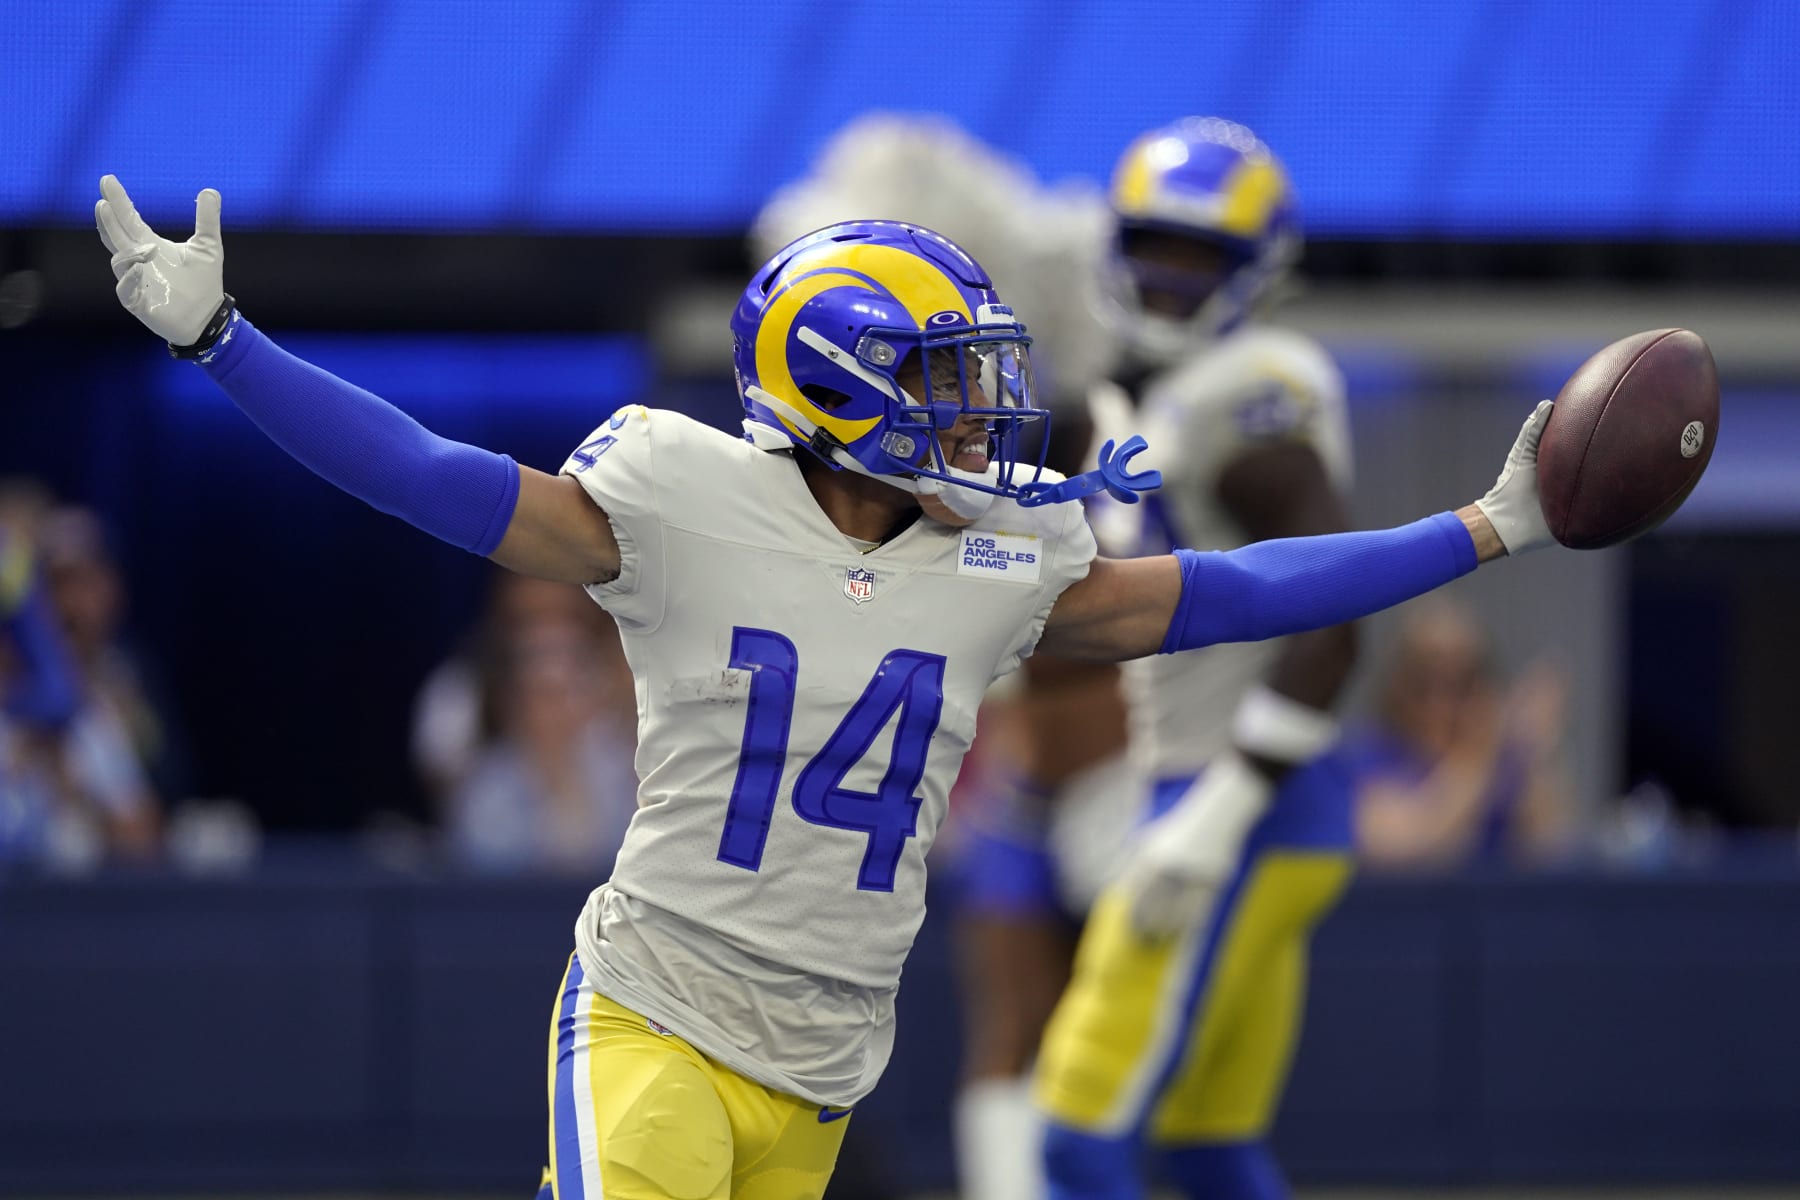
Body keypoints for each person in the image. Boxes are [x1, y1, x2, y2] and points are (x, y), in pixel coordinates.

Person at [96, 172, 1553, 1200]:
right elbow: (427, 474)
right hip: (661, 1012)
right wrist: (225, 346)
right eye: (944, 376)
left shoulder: (1000, 559)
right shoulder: (678, 502)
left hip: (825, 1065)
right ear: (841, 384)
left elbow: (1241, 590)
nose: (982, 412)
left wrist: (1483, 529)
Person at [1031, 117, 1360, 1200]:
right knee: (1206, 1145)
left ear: (1258, 268)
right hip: (1254, 804)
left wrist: (1218, 813)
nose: (1170, 277)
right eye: (1153, 247)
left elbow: (1334, 618)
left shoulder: (1248, 392)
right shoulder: (1148, 393)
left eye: (1200, 255)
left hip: (1231, 804)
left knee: (1076, 1136)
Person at [1346, 601, 1575, 870]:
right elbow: (1398, 849)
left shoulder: (1504, 762)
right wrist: (1477, 755)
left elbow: (1551, 854)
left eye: (1463, 681)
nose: (1441, 703)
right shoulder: (1364, 756)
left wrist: (1531, 751)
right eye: (1424, 682)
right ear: (1396, 685)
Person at [445, 608, 639, 874]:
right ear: (516, 704)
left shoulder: (624, 775)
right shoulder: (487, 785)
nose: (559, 710)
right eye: (545, 695)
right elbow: (488, 869)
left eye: (570, 692)